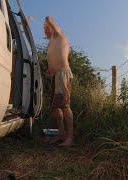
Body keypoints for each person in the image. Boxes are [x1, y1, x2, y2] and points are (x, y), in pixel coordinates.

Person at [44, 16, 74, 147]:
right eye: (44, 29)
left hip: (63, 74)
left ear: (54, 28)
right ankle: (61, 134)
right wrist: (51, 69)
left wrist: (48, 20)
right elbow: (57, 57)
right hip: (56, 75)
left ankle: (70, 138)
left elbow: (49, 19)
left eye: (46, 28)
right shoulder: (52, 42)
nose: (45, 30)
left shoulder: (59, 35)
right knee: (55, 108)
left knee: (65, 106)